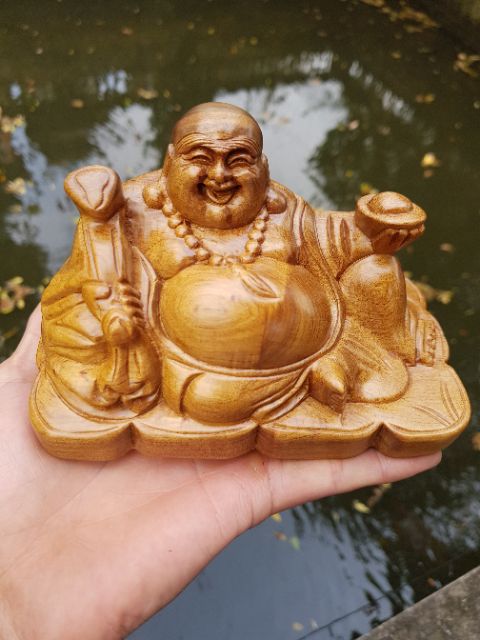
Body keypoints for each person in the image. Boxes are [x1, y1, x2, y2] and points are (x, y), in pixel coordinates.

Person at [0, 308, 440, 639]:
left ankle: (324, 368)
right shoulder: (138, 237)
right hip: (188, 359)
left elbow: (343, 252)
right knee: (203, 393)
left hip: (302, 334)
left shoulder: (284, 228)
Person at [37, 102, 438, 433]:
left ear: (262, 166)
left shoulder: (281, 208)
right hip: (199, 367)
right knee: (208, 401)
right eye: (201, 158)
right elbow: (90, 278)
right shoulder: (136, 210)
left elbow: (335, 237)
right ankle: (310, 379)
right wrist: (99, 228)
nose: (219, 176)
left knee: (378, 270)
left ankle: (338, 363)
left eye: (238, 160)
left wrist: (377, 225)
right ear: (170, 162)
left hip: (318, 335)